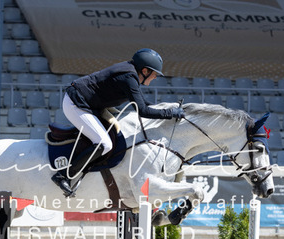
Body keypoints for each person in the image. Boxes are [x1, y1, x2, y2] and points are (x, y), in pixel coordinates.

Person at [51, 48, 185, 197]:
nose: (155, 77)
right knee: (104, 144)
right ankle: (63, 175)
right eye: (154, 74)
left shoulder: (131, 73)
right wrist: (170, 114)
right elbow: (143, 111)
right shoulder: (128, 77)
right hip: (76, 104)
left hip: (90, 105)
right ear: (145, 71)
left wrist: (168, 111)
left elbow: (142, 103)